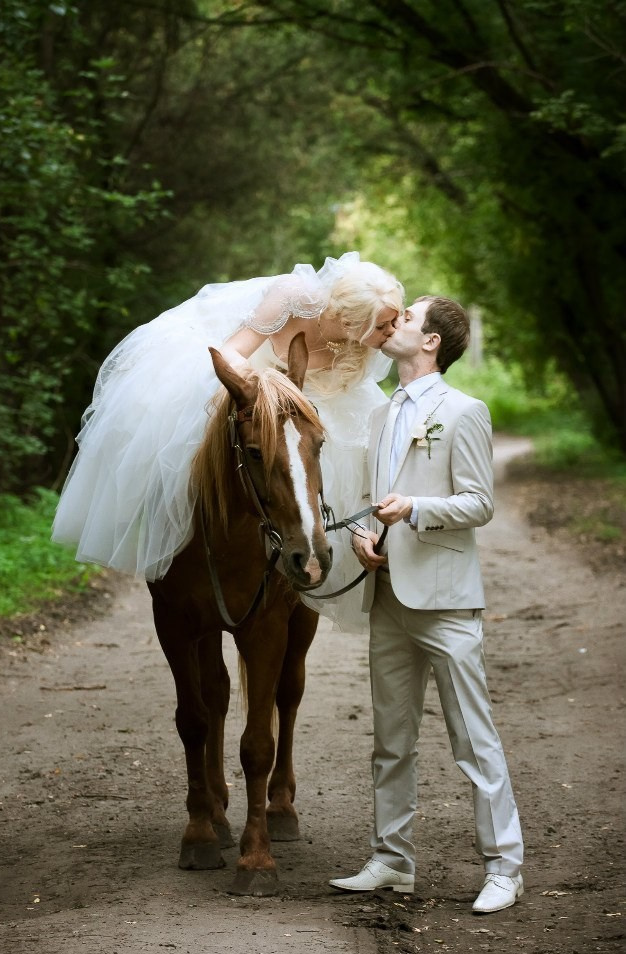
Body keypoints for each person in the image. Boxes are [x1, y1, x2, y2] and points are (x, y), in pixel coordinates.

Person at [52, 252, 404, 631]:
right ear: (351, 319)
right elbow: (232, 350)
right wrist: (262, 392)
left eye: (397, 321)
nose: (394, 330)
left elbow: (343, 398)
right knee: (186, 445)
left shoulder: (364, 347)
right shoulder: (293, 296)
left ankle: (314, 553)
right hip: (251, 383)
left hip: (306, 406)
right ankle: (170, 537)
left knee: (339, 460)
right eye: (386, 323)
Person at [329, 295, 524, 913]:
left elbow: (479, 504)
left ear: (433, 341)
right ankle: (392, 860)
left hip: (444, 598)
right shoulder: (383, 414)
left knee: (473, 739)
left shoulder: (464, 411)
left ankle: (504, 867)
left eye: (408, 318)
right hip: (388, 595)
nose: (396, 323)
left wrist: (415, 510)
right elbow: (373, 494)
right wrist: (365, 534)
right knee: (392, 738)